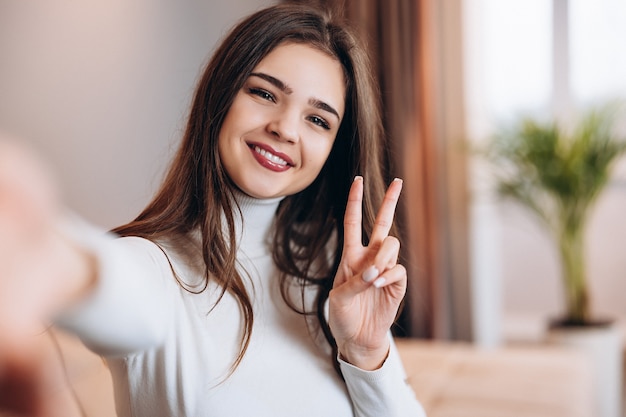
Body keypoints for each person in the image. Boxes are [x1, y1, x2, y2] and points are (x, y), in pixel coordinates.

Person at [0, 3, 426, 416]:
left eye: (318, 120)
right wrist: (44, 250)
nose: (285, 128)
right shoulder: (156, 268)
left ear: (334, 149)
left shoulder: (333, 269)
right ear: (220, 97)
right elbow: (107, 278)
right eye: (264, 93)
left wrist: (367, 352)